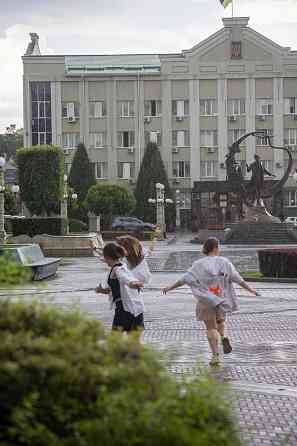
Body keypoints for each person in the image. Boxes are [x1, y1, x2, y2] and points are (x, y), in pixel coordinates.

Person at [162, 237, 259, 366]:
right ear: (215, 248)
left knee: (210, 328)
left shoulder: (198, 264)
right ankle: (224, 336)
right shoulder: (224, 262)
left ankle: (215, 356)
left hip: (205, 300)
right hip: (221, 298)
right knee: (221, 321)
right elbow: (237, 278)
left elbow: (185, 279)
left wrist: (170, 288)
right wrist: (251, 289)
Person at [95, 242, 145, 333]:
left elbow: (125, 279)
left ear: (108, 257)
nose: (104, 260)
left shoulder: (117, 269)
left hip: (124, 310)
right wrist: (101, 290)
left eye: (104, 258)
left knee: (115, 342)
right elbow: (113, 289)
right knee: (133, 344)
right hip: (136, 309)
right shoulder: (122, 265)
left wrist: (133, 284)